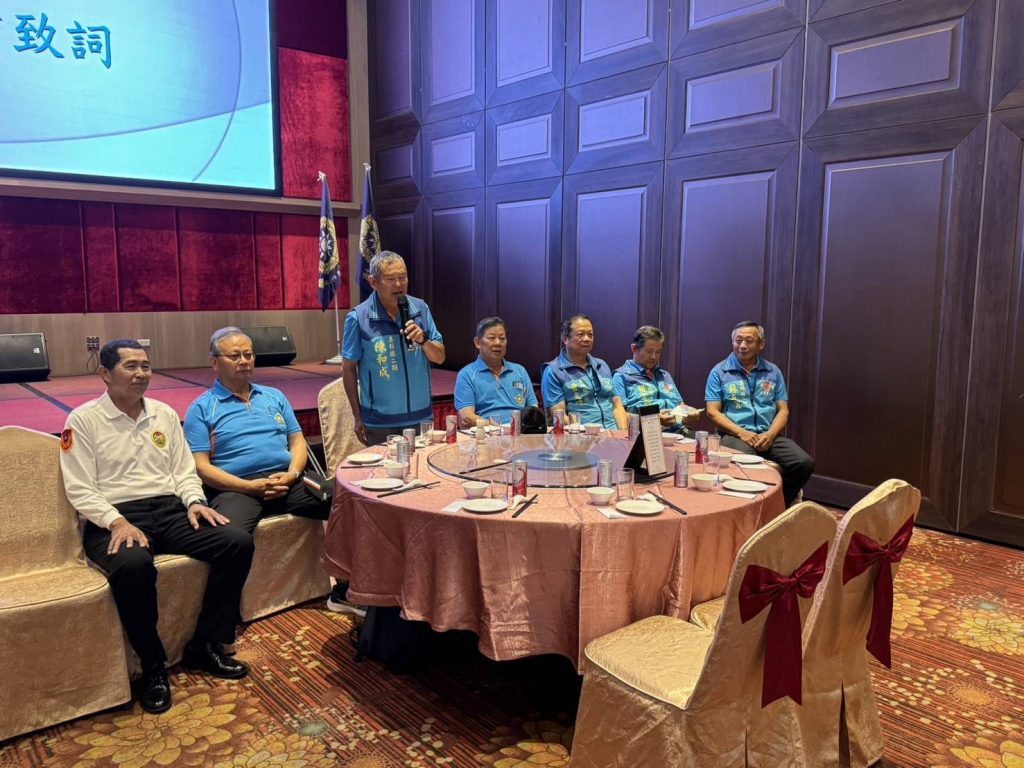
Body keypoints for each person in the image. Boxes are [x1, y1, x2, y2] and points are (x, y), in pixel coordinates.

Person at [60, 339, 252, 715]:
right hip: (113, 517)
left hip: (169, 510)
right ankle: (152, 667)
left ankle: (206, 644)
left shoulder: (163, 414)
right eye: (130, 366)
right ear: (104, 374)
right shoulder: (82, 421)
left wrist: (194, 502)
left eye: (145, 366)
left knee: (236, 541)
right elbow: (79, 488)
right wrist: (116, 521)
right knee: (133, 565)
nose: (141, 373)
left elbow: (183, 471)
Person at [183, 327, 362, 618]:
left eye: (248, 354)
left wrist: (292, 474)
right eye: (234, 356)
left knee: (348, 499)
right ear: (215, 362)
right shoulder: (202, 408)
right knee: (228, 539)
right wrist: (249, 487)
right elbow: (201, 467)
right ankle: (217, 626)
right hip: (236, 488)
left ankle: (346, 588)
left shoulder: (274, 396)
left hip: (287, 479)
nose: (244, 361)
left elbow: (297, 442)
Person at [705, 321, 814, 506]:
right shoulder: (719, 372)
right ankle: (749, 510)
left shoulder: (773, 372)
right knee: (751, 463)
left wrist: (770, 435)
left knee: (804, 462)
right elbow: (712, 412)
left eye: (749, 340)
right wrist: (742, 433)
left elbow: (783, 410)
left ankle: (778, 505)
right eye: (738, 340)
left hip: (767, 434)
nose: (742, 345)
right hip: (734, 435)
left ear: (761, 344)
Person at [342, 251, 445, 445]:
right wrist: (357, 415)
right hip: (380, 423)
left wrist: (423, 340)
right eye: (391, 279)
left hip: (421, 418)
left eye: (403, 277)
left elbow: (439, 357)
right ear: (373, 282)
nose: (399, 284)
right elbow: (348, 369)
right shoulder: (358, 318)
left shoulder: (420, 309)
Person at [541, 314, 627, 431]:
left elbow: (617, 404)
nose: (587, 339)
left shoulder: (602, 365)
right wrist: (584, 435)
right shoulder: (553, 371)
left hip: (613, 434)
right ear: (565, 339)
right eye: (580, 334)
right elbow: (559, 416)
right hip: (580, 436)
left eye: (590, 334)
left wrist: (623, 433)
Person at [612, 325, 701, 433]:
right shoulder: (621, 376)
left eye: (658, 352)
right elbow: (620, 415)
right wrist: (654, 420)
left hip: (679, 432)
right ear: (634, 349)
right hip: (647, 434)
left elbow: (680, 406)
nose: (654, 357)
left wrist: (688, 413)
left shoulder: (665, 375)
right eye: (649, 351)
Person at [454, 316, 538, 427]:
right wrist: (494, 427)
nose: (498, 343)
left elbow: (533, 407)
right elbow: (467, 417)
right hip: (486, 432)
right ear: (477, 342)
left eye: (502, 338)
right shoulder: (467, 374)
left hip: (520, 430)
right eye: (492, 338)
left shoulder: (519, 371)